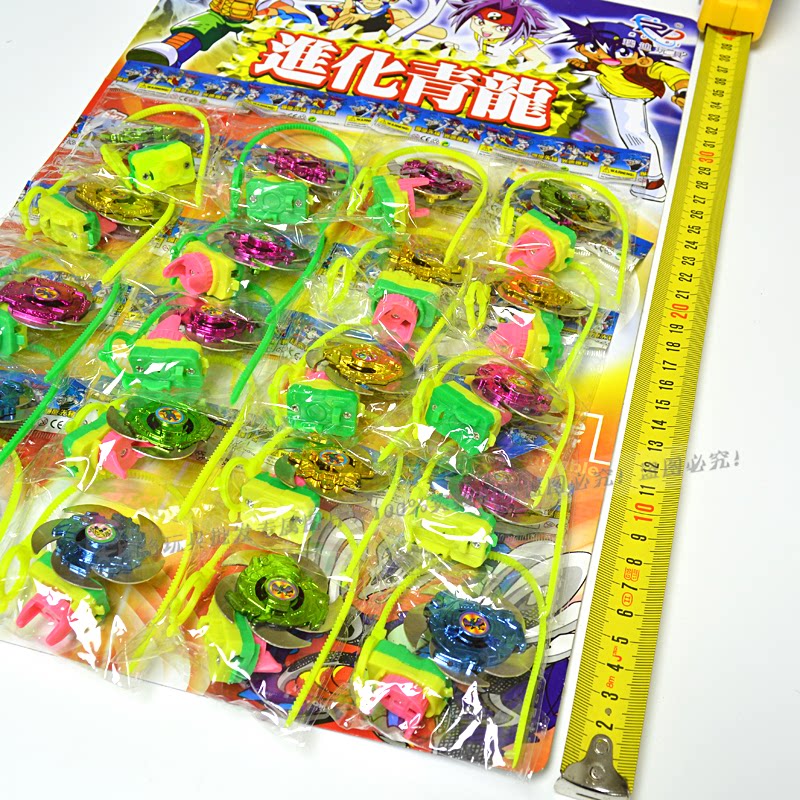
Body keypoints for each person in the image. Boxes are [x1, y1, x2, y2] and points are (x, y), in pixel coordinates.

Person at [559, 18, 690, 201]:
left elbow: (671, 73)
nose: (603, 55)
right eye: (593, 48)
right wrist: (584, 65)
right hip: (605, 86)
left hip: (629, 96)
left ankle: (653, 183)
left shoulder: (645, 66)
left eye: (621, 52)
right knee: (562, 79)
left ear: (640, 55)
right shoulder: (605, 61)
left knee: (633, 133)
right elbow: (599, 65)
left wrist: (683, 91)